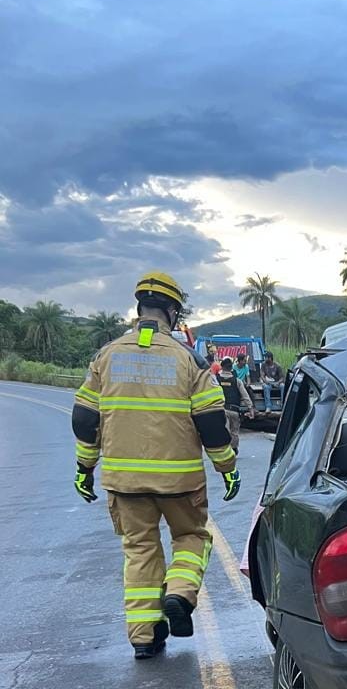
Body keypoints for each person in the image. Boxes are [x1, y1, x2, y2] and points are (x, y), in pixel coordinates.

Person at [71, 271, 241, 660]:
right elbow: (213, 425)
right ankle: (180, 595)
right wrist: (227, 468)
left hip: (124, 482)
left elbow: (84, 419)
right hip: (179, 480)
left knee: (140, 550)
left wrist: (85, 468)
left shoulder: (106, 357)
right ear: (173, 312)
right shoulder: (189, 361)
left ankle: (145, 637)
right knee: (191, 537)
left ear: (139, 308)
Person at [217, 356, 255, 452]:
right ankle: (234, 448)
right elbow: (245, 396)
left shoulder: (216, 381)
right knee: (234, 432)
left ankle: (226, 450)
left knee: (225, 431)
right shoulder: (237, 381)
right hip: (234, 410)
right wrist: (250, 409)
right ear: (231, 368)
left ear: (222, 367)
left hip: (221, 410)